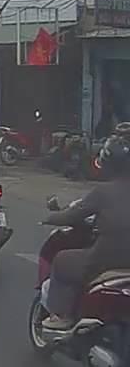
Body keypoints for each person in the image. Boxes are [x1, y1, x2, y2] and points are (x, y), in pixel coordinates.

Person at [40, 127, 130, 330]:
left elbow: (73, 215)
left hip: (107, 259)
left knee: (62, 260)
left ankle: (62, 316)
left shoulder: (103, 191)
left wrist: (50, 218)